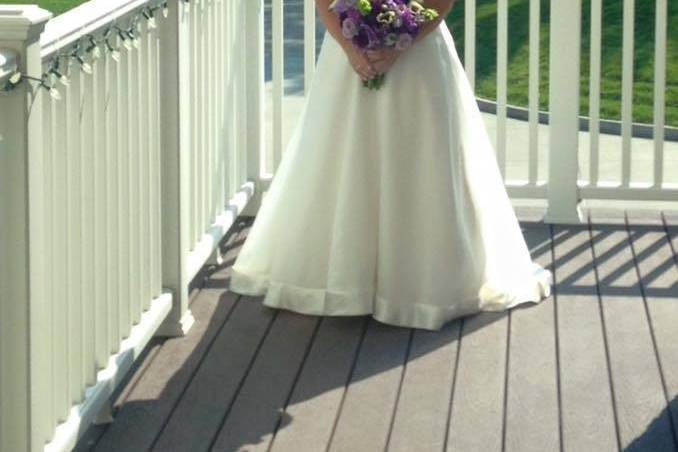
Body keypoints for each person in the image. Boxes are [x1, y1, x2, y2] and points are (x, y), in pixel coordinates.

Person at [228, 0, 552, 331]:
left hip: (419, 59)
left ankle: (416, 284)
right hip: (347, 62)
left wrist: (400, 45)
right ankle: (348, 281)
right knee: (347, 158)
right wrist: (352, 50)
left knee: (421, 164)